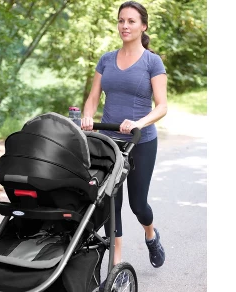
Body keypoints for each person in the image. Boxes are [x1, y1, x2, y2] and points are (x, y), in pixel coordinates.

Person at [81, 1, 167, 273]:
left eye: (131, 21)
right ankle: (116, 259)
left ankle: (151, 234)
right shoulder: (106, 59)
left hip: (140, 141)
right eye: (121, 21)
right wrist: (87, 117)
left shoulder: (152, 62)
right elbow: (93, 97)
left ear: (143, 26)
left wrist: (138, 123)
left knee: (138, 204)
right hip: (108, 142)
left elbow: (162, 106)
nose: (125, 26)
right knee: (110, 200)